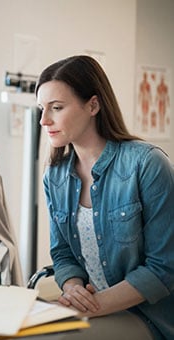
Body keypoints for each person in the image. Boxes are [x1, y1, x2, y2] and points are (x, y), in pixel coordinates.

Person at [36, 55, 174, 339]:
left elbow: (163, 268)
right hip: (94, 306)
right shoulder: (56, 176)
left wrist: (91, 306)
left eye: (56, 108)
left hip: (149, 317)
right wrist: (73, 288)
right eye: (41, 109)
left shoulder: (146, 164)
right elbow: (62, 253)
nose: (44, 120)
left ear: (93, 105)